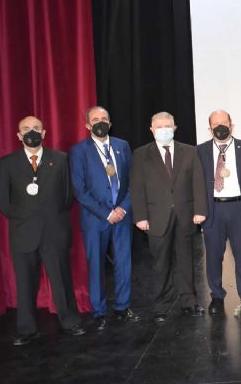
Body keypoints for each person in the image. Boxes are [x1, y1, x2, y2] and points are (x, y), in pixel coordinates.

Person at [0, 116, 85, 345]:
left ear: (44, 133)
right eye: (26, 129)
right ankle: (27, 329)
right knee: (25, 284)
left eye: (36, 128)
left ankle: (70, 322)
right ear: (19, 136)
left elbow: (68, 196)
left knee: (62, 280)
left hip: (55, 231)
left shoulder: (61, 159)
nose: (31, 132)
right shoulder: (7, 163)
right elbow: (3, 202)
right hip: (23, 234)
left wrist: (52, 217)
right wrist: (26, 218)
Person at [131, 112, 207, 323]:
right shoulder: (141, 154)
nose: (164, 130)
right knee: (160, 263)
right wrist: (140, 217)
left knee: (186, 261)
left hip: (185, 215)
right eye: (159, 126)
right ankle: (161, 305)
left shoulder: (190, 151)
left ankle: (189, 302)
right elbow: (137, 187)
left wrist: (200, 210)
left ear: (174, 128)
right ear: (152, 130)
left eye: (168, 126)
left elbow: (198, 182)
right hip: (156, 217)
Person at [69, 106, 140, 330]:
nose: (100, 122)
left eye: (104, 119)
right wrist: (107, 213)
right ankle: (98, 311)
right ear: (87, 125)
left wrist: (123, 209)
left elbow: (133, 181)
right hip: (95, 219)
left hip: (122, 216)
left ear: (110, 123)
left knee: (124, 262)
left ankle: (122, 306)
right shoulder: (78, 151)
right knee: (96, 265)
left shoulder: (122, 146)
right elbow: (80, 190)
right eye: (95, 119)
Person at [197, 110, 241, 315]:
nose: (220, 127)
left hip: (238, 207)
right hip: (212, 209)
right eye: (216, 124)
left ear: (232, 125)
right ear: (209, 129)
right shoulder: (200, 151)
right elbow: (195, 183)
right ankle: (217, 295)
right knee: (213, 256)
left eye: (224, 122)